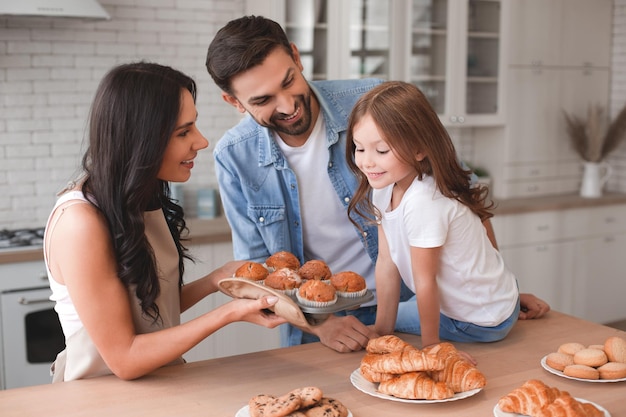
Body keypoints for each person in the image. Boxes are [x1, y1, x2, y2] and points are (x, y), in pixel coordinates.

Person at [205, 16, 549, 353]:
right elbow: (259, 273)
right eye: (263, 100)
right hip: (316, 321)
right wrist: (322, 325)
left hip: (418, 307)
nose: (287, 106)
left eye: (288, 81)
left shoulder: (371, 100)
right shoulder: (234, 156)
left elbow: (459, 191)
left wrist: (493, 296)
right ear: (234, 102)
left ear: (296, 57)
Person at [43, 62, 286, 382]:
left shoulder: (138, 201)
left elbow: (148, 309)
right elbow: (124, 358)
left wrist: (217, 279)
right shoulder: (81, 223)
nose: (201, 141)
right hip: (100, 398)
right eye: (183, 132)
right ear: (140, 139)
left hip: (159, 384)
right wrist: (229, 314)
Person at [346, 81, 520, 361]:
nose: (366, 162)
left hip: (480, 319)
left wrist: (431, 347)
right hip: (493, 299)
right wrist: (382, 331)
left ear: (418, 149)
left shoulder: (424, 202)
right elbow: (386, 263)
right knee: (374, 322)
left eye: (381, 151)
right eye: (359, 148)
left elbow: (425, 281)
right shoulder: (384, 189)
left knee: (362, 316)